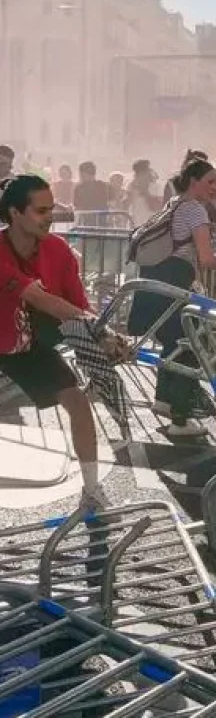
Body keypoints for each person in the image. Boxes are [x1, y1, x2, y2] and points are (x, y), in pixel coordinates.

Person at [0, 175, 107, 510]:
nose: (50, 216)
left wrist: (104, 338)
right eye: (41, 210)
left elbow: (78, 306)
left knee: (77, 401)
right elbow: (41, 299)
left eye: (52, 209)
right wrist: (102, 332)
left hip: (27, 345)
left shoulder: (58, 249)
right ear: (15, 213)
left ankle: (91, 489)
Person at [127, 159, 216, 437]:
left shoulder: (174, 203)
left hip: (157, 280)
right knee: (188, 344)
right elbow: (207, 258)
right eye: (211, 181)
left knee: (173, 342)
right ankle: (180, 417)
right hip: (175, 280)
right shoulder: (194, 210)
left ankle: (165, 402)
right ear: (194, 181)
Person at [124, 159, 160, 226]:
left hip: (150, 223)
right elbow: (126, 204)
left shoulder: (155, 186)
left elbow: (157, 207)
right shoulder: (131, 185)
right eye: (138, 172)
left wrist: (146, 194)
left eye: (145, 171)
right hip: (135, 222)